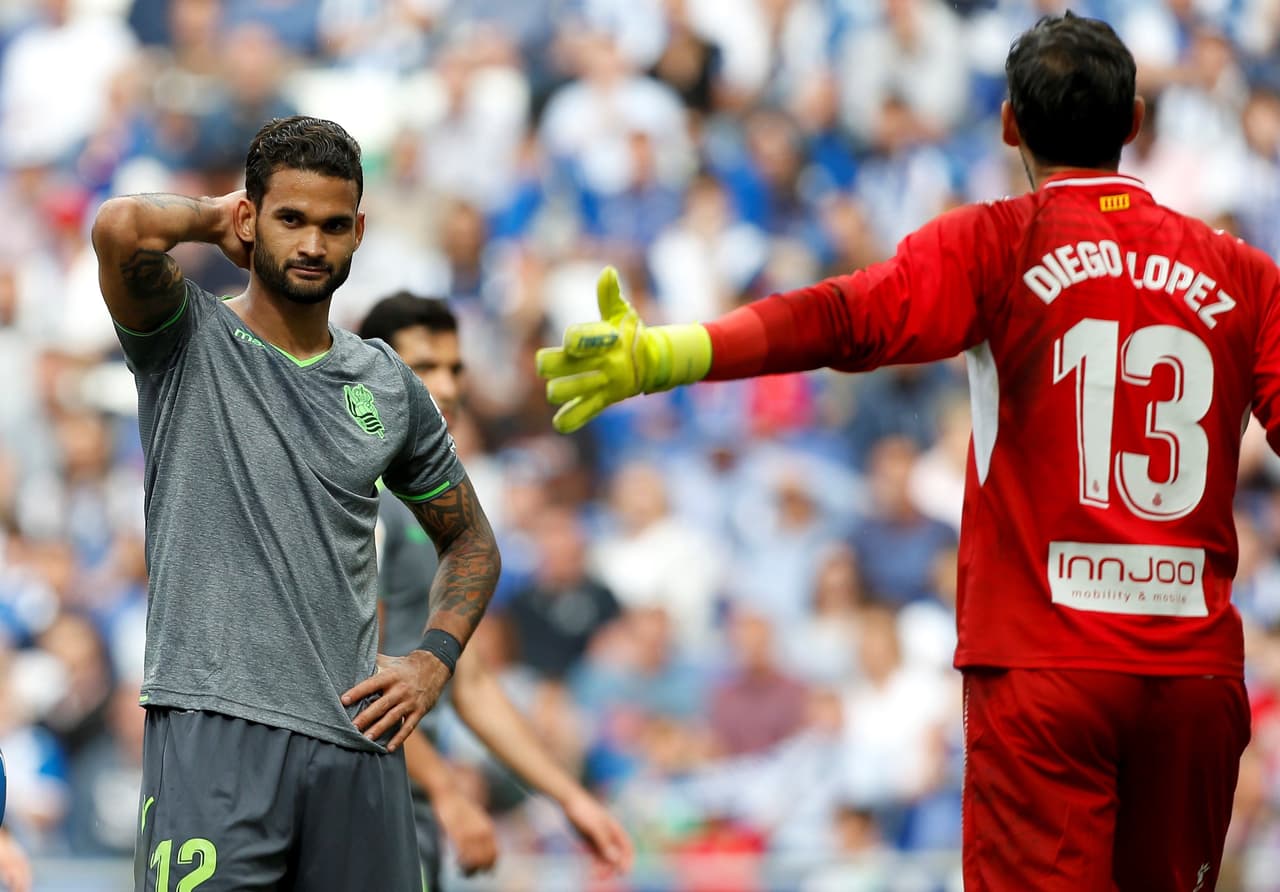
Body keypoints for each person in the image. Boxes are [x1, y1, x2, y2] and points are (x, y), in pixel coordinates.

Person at [537, 14, 1267, 892]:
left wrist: (673, 352)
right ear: (1135, 120)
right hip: (1189, 673)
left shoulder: (996, 243)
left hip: (1045, 666)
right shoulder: (1244, 274)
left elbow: (844, 319)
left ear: (1008, 124)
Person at [92, 116, 501, 891]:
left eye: (333, 225)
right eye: (291, 219)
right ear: (250, 220)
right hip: (215, 728)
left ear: (359, 233)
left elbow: (473, 544)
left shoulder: (385, 382)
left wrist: (430, 662)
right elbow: (121, 228)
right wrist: (219, 218)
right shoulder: (184, 336)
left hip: (359, 744)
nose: (313, 244)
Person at [357, 292, 633, 888]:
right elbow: (348, 671)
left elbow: (471, 681)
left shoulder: (431, 507)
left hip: (410, 800)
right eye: (424, 367)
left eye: (455, 369)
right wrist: (448, 788)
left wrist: (568, 798)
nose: (448, 387)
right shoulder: (359, 497)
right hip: (359, 798)